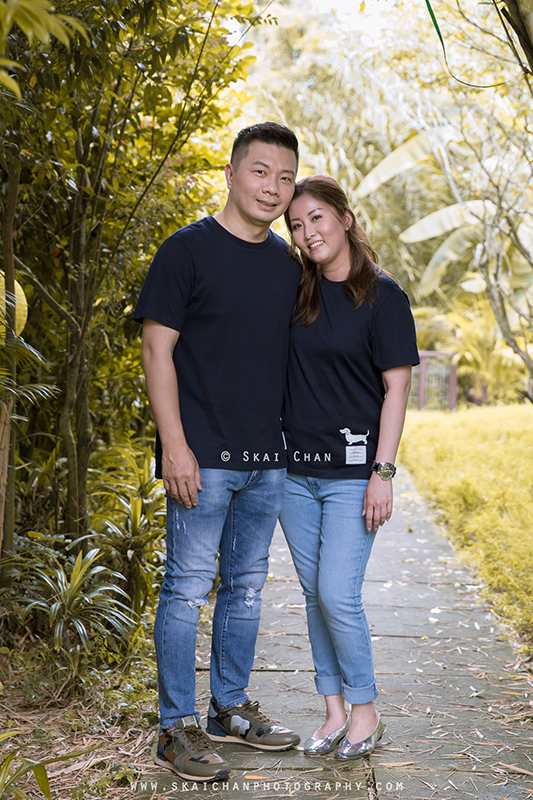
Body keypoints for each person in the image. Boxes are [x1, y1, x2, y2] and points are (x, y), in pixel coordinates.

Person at [134, 122, 302, 783]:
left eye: (285, 177)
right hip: (200, 454)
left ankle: (229, 708)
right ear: (230, 175)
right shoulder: (187, 250)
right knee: (184, 591)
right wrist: (173, 445)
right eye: (260, 171)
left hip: (267, 458)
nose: (272, 187)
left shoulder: (286, 266)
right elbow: (156, 348)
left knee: (247, 590)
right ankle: (175, 727)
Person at [279, 175, 419, 761]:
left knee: (339, 592)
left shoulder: (384, 297)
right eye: (295, 225)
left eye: (315, 218)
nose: (307, 232)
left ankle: (366, 708)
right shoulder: (298, 290)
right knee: (315, 594)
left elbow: (397, 388)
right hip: (293, 473)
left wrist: (382, 473)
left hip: (351, 475)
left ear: (346, 217)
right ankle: (333, 711)